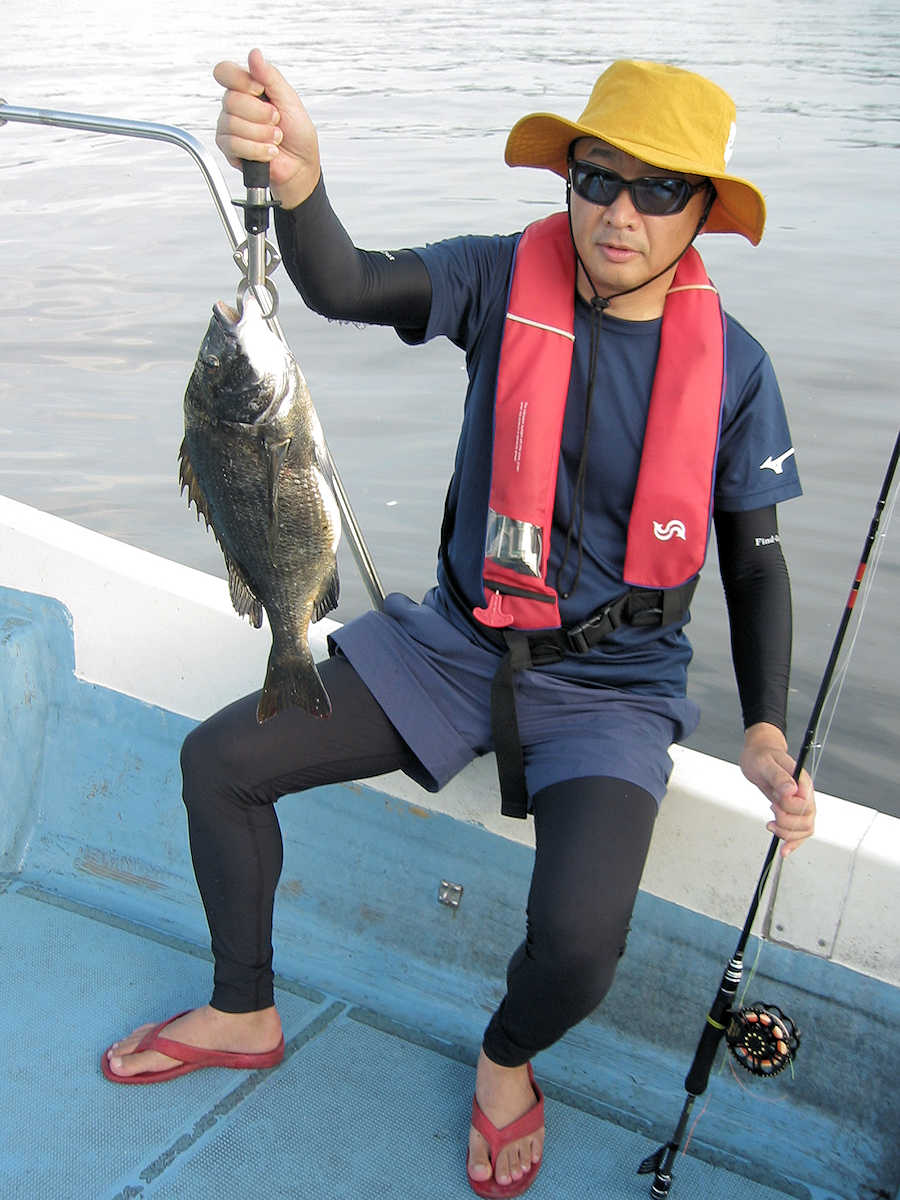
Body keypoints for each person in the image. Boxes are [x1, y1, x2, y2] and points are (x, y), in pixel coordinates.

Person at [103, 50, 816, 1198]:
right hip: (456, 644)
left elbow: (757, 561)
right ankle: (244, 1008)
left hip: (615, 687)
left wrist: (769, 730)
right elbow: (342, 283)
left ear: (703, 213)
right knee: (218, 763)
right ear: (570, 179)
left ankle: (505, 1057)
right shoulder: (498, 276)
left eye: (659, 190)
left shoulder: (737, 370)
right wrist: (302, 178)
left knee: (580, 946)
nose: (620, 213)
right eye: (598, 177)